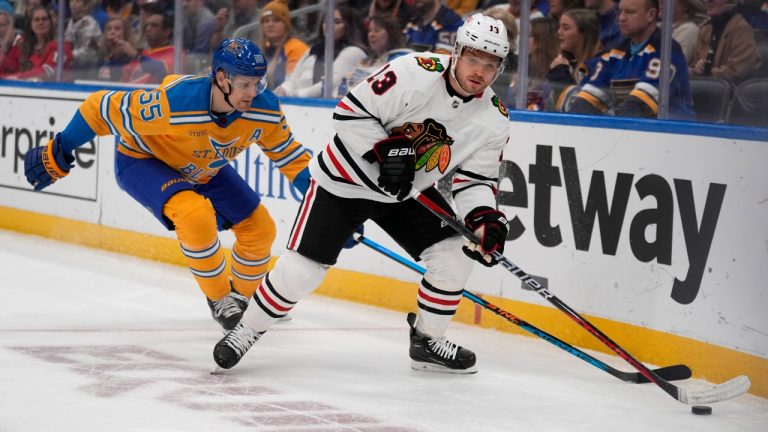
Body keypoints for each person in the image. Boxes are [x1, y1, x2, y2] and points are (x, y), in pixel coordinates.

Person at [212, 13, 512, 374]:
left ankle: (427, 340)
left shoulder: (494, 117)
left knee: (452, 256)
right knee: (303, 271)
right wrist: (386, 149)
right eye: (473, 59)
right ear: (458, 52)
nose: (479, 71)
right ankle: (246, 330)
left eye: (490, 64)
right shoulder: (414, 71)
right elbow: (350, 112)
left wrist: (483, 217)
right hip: (343, 183)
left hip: (403, 194)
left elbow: (474, 180)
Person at [23, 38, 312, 332]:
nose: (253, 94)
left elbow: (293, 160)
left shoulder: (266, 110)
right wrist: (59, 149)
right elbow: (99, 108)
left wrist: (332, 209)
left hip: (203, 167)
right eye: (245, 85)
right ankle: (221, 300)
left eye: (258, 84)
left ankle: (240, 300)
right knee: (195, 216)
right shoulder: (174, 103)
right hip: (144, 160)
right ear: (222, 79)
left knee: (261, 229)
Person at [568, 0, 695, 119]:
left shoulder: (667, 50)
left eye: (630, 12)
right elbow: (585, 102)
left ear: (650, 15)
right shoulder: (614, 54)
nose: (621, 18)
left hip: (672, 136)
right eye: (620, 11)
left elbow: (639, 107)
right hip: (631, 134)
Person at [276, 4, 366, 98]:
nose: (330, 25)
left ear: (348, 26)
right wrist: (283, 90)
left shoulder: (354, 52)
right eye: (326, 21)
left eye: (337, 22)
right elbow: (293, 78)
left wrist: (295, 95)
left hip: (321, 106)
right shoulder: (313, 50)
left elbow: (330, 84)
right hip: (295, 101)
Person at [690, 0, 761, 84]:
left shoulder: (742, 29)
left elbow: (736, 72)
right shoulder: (705, 29)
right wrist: (695, 68)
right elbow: (695, 66)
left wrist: (707, 72)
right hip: (703, 89)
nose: (708, 1)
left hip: (731, 93)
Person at [547, 8, 602, 111]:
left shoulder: (599, 67)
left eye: (566, 28)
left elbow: (578, 108)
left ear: (584, 33)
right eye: (559, 27)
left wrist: (560, 75)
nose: (559, 32)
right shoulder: (567, 64)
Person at [0, 5, 72, 81]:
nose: (41, 22)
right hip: (22, 89)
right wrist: (5, 46)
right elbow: (5, 69)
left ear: (51, 22)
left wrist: (15, 78)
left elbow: (47, 72)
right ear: (30, 24)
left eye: (44, 19)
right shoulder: (22, 45)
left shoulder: (61, 46)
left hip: (52, 90)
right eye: (36, 20)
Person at [345, 14, 413, 91]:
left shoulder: (400, 59)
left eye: (377, 30)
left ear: (391, 33)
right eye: (369, 31)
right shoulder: (366, 60)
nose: (371, 34)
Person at [257, 0, 309, 90]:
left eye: (276, 20)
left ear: (286, 25)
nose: (270, 25)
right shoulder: (260, 50)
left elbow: (293, 82)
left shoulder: (297, 47)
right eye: (266, 21)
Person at [65, 0, 103, 79]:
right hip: (73, 66)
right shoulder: (70, 22)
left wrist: (70, 54)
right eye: (71, 1)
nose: (73, 4)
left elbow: (89, 50)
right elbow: (68, 43)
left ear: (85, 6)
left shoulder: (91, 23)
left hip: (89, 68)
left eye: (77, 1)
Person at [96, 15, 138, 82]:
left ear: (125, 34)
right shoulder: (103, 57)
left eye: (117, 29)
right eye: (109, 29)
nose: (112, 32)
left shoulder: (132, 58)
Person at [662, 0, 705, 65]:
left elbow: (675, 64)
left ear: (685, 6)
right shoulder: (658, 27)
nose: (661, 1)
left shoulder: (689, 29)